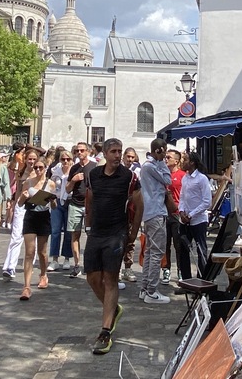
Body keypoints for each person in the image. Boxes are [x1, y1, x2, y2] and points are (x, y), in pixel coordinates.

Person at [84, 138, 135, 355]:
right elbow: (89, 199)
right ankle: (113, 309)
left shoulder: (128, 176)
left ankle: (105, 332)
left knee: (110, 278)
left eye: (119, 151)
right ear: (104, 153)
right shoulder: (94, 175)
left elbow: (138, 203)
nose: (117, 155)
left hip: (117, 233)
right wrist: (87, 225)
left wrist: (132, 232)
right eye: (113, 151)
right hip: (96, 232)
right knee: (92, 278)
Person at [139, 139, 171, 304]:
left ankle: (145, 288)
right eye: (164, 151)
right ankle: (151, 290)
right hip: (156, 212)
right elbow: (168, 180)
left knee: (151, 252)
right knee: (156, 252)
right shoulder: (150, 166)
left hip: (151, 212)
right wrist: (163, 162)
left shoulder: (147, 166)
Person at [18, 158, 56, 299]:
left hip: (44, 217)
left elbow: (54, 206)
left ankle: (43, 274)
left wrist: (52, 201)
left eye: (41, 167)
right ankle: (26, 286)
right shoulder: (28, 182)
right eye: (36, 168)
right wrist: (23, 197)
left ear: (46, 168)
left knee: (42, 252)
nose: (38, 170)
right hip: (30, 216)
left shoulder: (50, 184)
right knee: (29, 252)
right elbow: (20, 204)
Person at [2, 147, 40, 280]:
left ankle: (31, 264)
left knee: (32, 239)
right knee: (16, 236)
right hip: (21, 206)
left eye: (34, 159)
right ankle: (9, 266)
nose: (32, 161)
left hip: (35, 207)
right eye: (29, 159)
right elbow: (18, 191)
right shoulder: (21, 172)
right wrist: (15, 204)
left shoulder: (40, 172)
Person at [177, 152, 212, 281]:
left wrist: (191, 214)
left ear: (192, 162)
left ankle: (202, 279)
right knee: (184, 250)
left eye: (185, 160)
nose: (182, 162)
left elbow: (207, 202)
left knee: (201, 250)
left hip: (198, 220)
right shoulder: (185, 178)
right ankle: (187, 280)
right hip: (185, 220)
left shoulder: (202, 179)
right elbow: (182, 197)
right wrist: (181, 211)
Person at [65, 142, 96, 278]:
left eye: (82, 150)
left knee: (92, 235)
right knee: (74, 235)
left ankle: (90, 264)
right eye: (77, 151)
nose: (79, 153)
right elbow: (67, 189)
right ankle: (77, 265)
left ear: (88, 151)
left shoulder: (94, 167)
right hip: (75, 204)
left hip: (90, 206)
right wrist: (73, 180)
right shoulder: (74, 168)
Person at [161, 149, 184, 285]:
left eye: (169, 157)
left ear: (176, 161)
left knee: (178, 244)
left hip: (176, 213)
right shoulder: (162, 174)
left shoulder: (182, 175)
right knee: (165, 244)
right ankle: (166, 269)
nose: (166, 159)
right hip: (164, 212)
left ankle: (181, 270)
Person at [48, 148, 73, 271]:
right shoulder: (55, 171)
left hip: (70, 201)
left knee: (69, 231)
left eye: (68, 159)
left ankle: (67, 258)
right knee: (55, 230)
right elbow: (51, 186)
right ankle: (54, 259)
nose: (66, 161)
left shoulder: (74, 171)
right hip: (57, 202)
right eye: (63, 159)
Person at [119, 147, 141, 283]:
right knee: (118, 241)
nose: (130, 160)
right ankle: (116, 268)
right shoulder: (118, 170)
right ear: (123, 157)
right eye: (128, 157)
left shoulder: (137, 172)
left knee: (130, 240)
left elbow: (139, 192)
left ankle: (128, 267)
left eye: (132, 157)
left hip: (131, 210)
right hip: (118, 210)